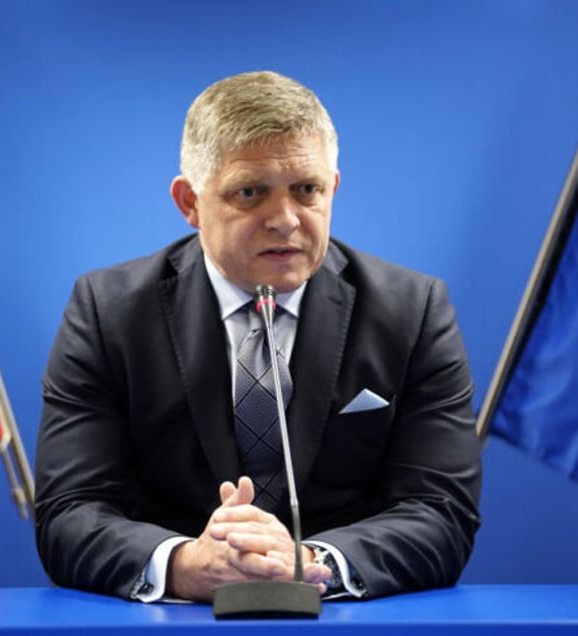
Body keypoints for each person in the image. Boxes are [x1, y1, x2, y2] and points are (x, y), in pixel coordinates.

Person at [34, 70, 482, 603]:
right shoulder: (108, 312)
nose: (286, 220)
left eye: (307, 190)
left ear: (332, 188)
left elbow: (441, 510)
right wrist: (184, 563)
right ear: (190, 202)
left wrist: (311, 565)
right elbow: (69, 510)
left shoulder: (412, 311)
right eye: (251, 193)